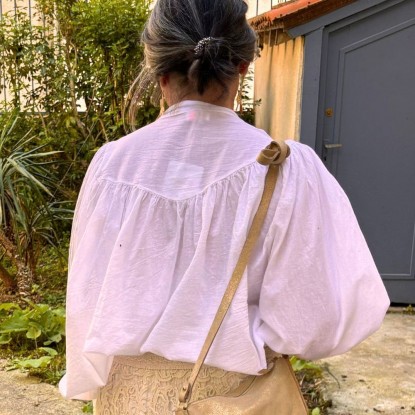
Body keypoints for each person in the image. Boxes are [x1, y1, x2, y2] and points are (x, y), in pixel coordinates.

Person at [59, 0, 390, 413]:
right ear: (242, 69)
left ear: (159, 72)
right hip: (241, 398)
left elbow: (88, 300)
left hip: (129, 397)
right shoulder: (286, 168)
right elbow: (320, 317)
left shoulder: (112, 165)